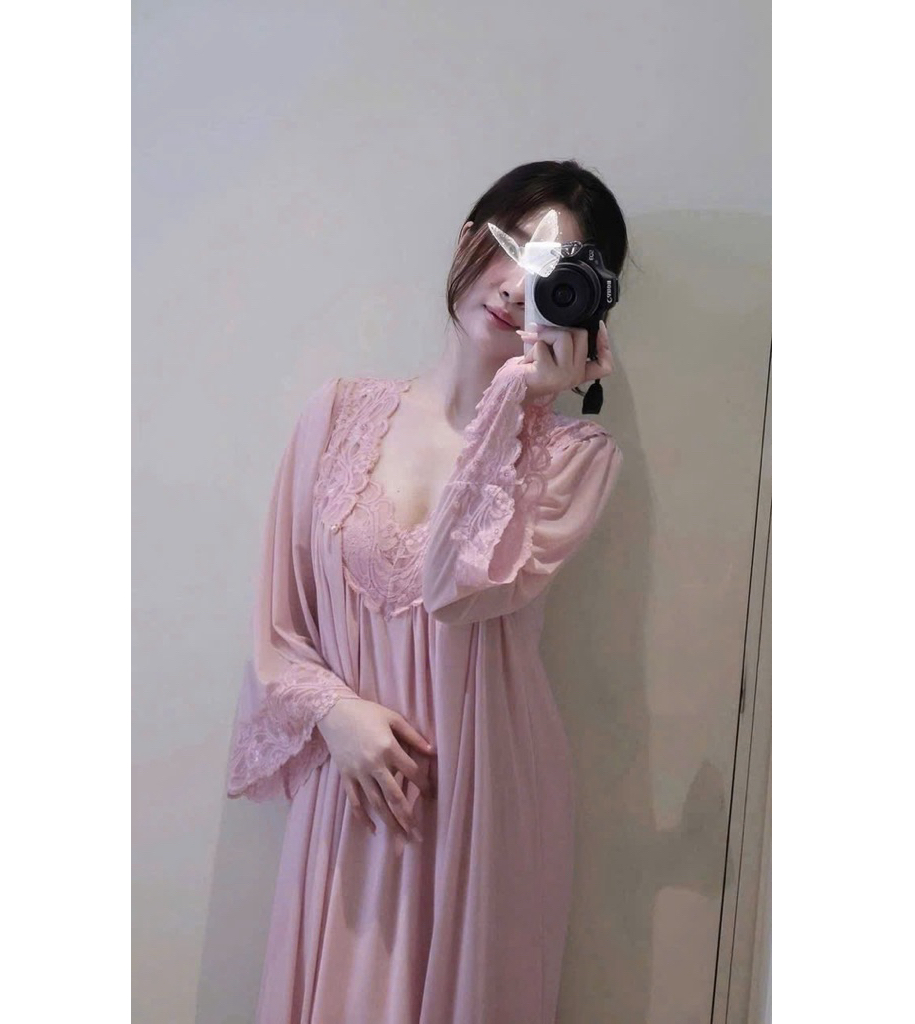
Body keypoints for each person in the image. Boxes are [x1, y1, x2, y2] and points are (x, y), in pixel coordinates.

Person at [225, 159, 627, 1023]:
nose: (517, 286)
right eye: (513, 246)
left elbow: (456, 589)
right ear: (467, 240)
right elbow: (278, 629)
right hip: (350, 797)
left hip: (483, 811)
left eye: (553, 272)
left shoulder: (572, 461)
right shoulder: (336, 415)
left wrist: (520, 397)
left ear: (587, 310)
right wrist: (337, 715)